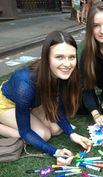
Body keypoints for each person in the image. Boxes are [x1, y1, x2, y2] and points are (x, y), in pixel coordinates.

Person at [0, 31, 91, 165]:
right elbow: (25, 131)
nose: (67, 64)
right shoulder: (24, 84)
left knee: (56, 129)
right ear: (47, 58)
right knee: (43, 135)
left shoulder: (61, 74)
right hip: (7, 104)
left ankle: (28, 114)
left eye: (71, 57)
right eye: (59, 57)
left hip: (32, 103)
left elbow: (57, 108)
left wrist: (72, 134)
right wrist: (55, 152)